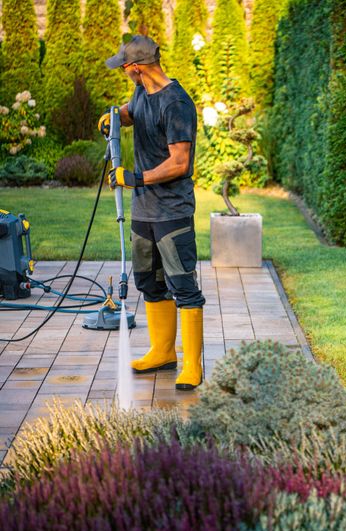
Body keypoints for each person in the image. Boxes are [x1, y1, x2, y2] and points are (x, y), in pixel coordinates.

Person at [99, 34, 204, 390]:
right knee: (148, 281)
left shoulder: (176, 103)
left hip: (172, 209)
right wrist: (114, 117)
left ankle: (192, 365)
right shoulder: (142, 90)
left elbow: (179, 162)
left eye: (124, 67)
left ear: (135, 67)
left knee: (183, 285)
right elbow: (131, 114)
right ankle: (162, 351)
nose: (124, 73)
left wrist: (135, 177)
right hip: (144, 209)